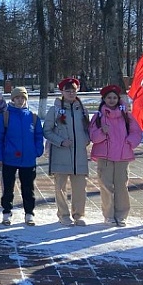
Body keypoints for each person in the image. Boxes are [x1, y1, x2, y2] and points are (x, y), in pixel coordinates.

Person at [88, 85, 143, 227]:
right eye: (108, 98)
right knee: (106, 186)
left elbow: (136, 132)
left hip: (122, 155)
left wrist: (129, 142)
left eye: (114, 98)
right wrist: (102, 131)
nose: (111, 100)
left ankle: (121, 215)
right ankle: (108, 215)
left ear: (118, 99)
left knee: (121, 186)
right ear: (104, 99)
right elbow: (93, 137)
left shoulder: (126, 115)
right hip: (104, 156)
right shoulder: (98, 116)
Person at [0, 86, 44, 226]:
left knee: (28, 188)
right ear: (13, 99)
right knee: (8, 187)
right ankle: (7, 212)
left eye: (22, 97)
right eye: (17, 98)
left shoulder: (33, 117)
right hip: (9, 158)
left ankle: (29, 213)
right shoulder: (5, 116)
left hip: (28, 159)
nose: (20, 100)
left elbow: (39, 136)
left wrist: (37, 151)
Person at [44, 77, 91, 226]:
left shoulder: (82, 109)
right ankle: (63, 214)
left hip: (79, 155)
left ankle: (78, 214)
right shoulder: (55, 110)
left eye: (74, 90)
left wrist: (86, 139)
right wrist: (60, 141)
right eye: (68, 91)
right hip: (61, 154)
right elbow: (47, 131)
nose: (71, 93)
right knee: (60, 187)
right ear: (62, 92)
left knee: (79, 187)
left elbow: (88, 128)